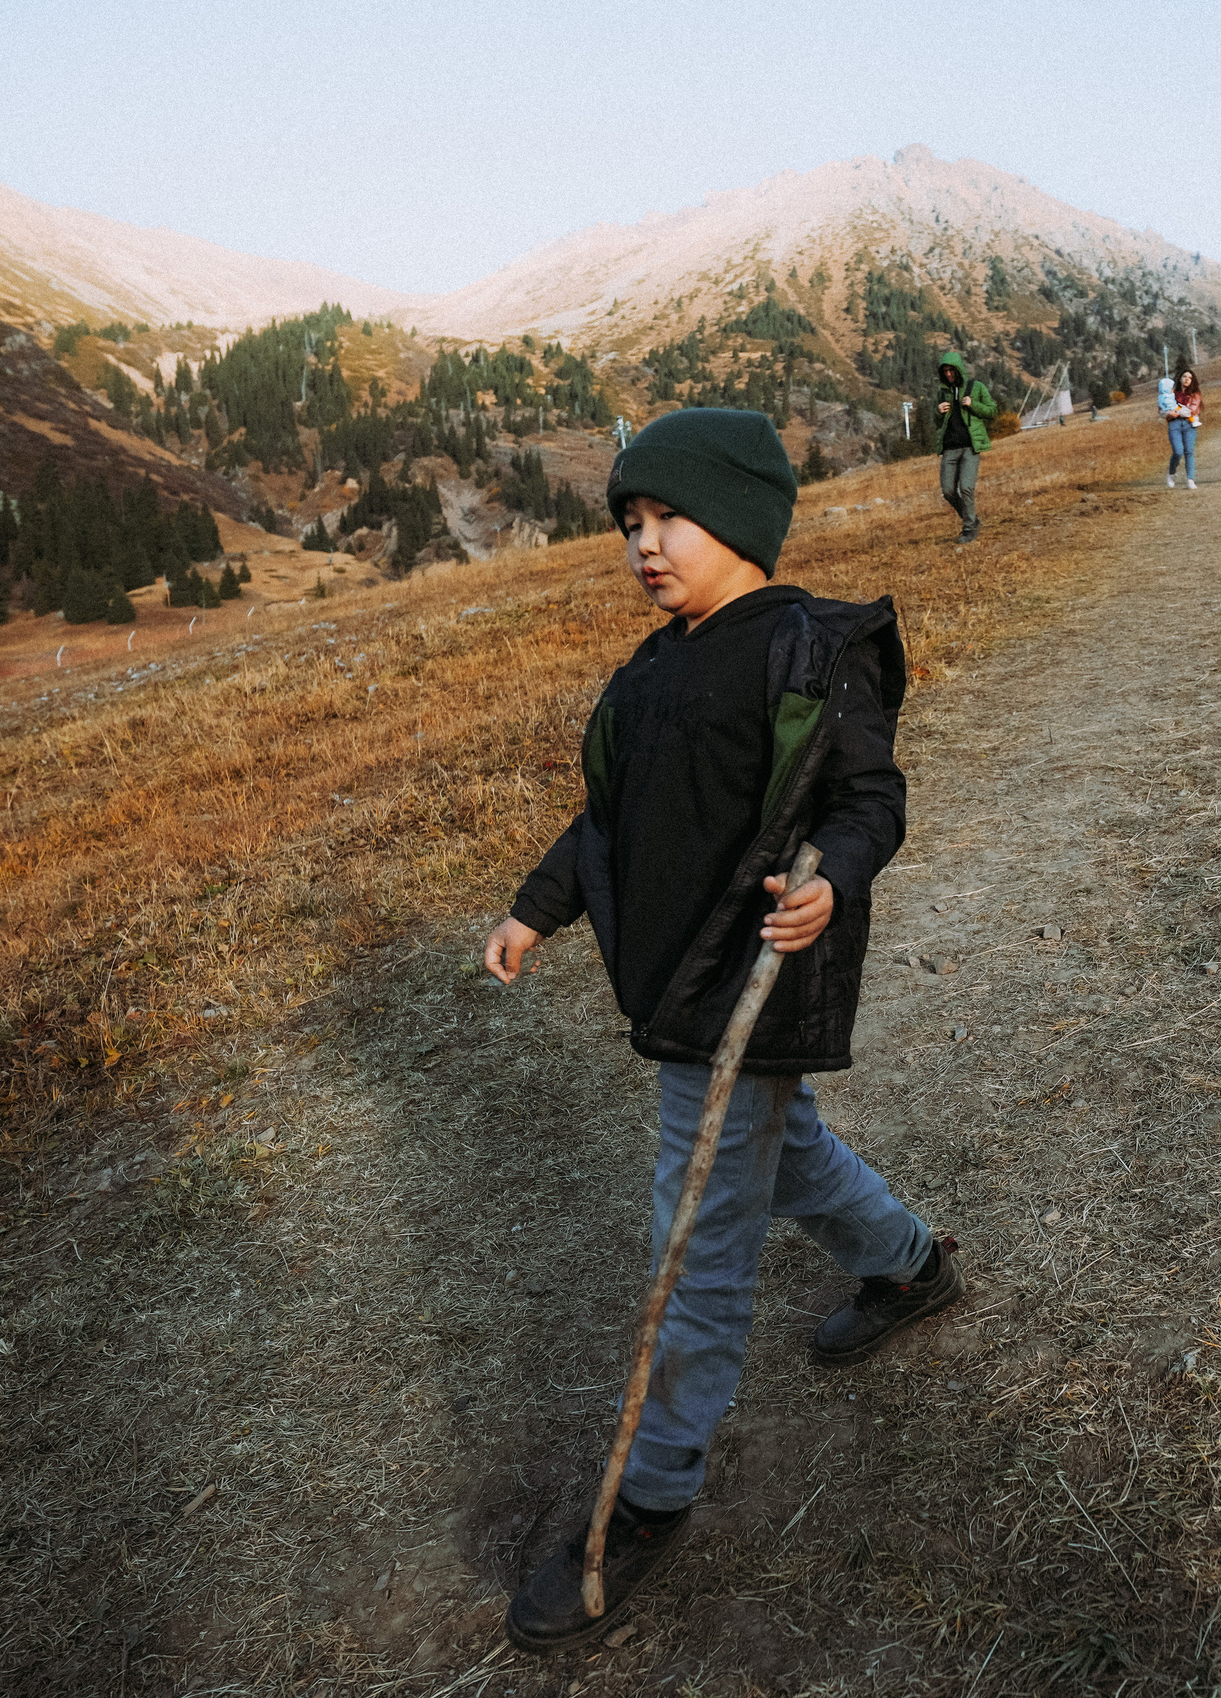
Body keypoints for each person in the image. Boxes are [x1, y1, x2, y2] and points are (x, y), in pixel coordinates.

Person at [483, 408, 962, 1651]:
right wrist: (537, 914)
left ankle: (648, 1495)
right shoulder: (645, 675)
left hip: (751, 982)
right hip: (683, 986)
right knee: (780, 1149)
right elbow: (601, 822)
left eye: (666, 518)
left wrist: (831, 875)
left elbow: (869, 794)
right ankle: (909, 1263)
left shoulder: (807, 647)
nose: (643, 544)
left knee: (694, 1246)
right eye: (628, 525)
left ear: (741, 520)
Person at [930, 349, 997, 544]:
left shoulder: (976, 387)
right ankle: (972, 519)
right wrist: (938, 412)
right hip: (950, 449)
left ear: (959, 370)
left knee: (966, 487)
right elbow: (937, 423)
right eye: (945, 371)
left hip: (970, 447)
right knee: (948, 491)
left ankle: (968, 529)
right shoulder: (942, 393)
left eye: (952, 370)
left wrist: (973, 404)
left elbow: (992, 411)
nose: (949, 374)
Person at [1165, 366, 1202, 489]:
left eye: (1190, 378)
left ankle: (1190, 479)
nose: (1187, 379)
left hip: (1189, 424)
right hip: (1174, 424)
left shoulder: (1195, 394)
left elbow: (1192, 410)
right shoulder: (1171, 394)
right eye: (1185, 376)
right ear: (1180, 379)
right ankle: (1171, 473)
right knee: (1177, 451)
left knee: (1189, 452)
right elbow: (1163, 409)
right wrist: (1168, 413)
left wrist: (1175, 410)